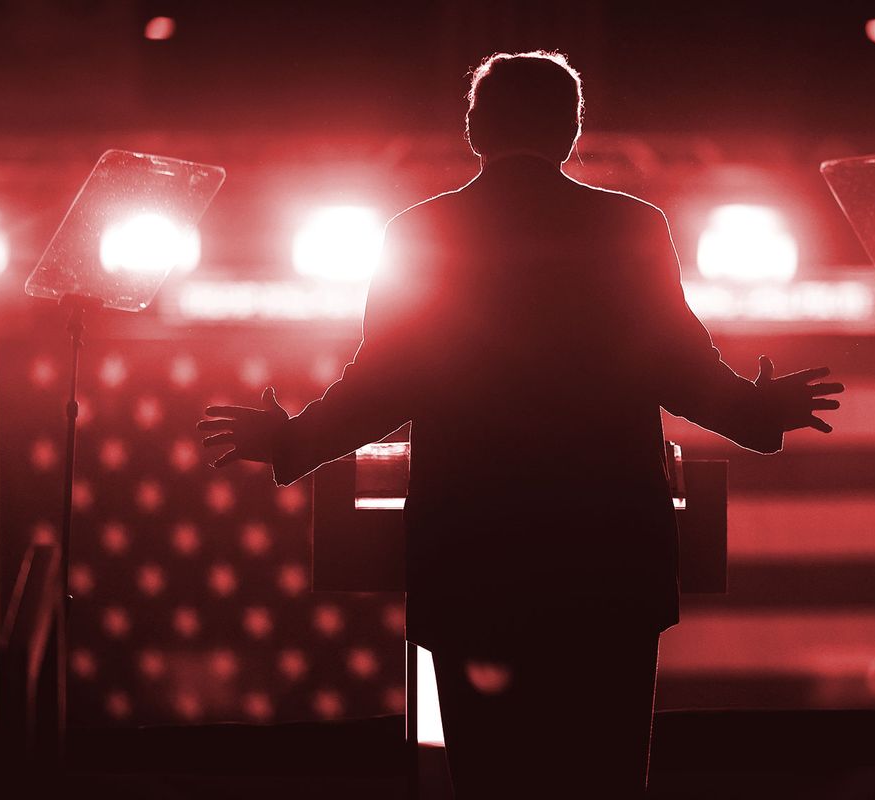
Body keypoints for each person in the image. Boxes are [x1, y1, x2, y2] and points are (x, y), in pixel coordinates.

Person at [199, 50, 842, 799]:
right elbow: (680, 369)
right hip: (607, 569)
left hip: (476, 566)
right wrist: (759, 416)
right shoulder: (631, 227)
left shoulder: (423, 231)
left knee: (492, 779)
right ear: (572, 131)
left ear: (473, 127)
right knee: (603, 778)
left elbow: (384, 382)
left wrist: (292, 442)